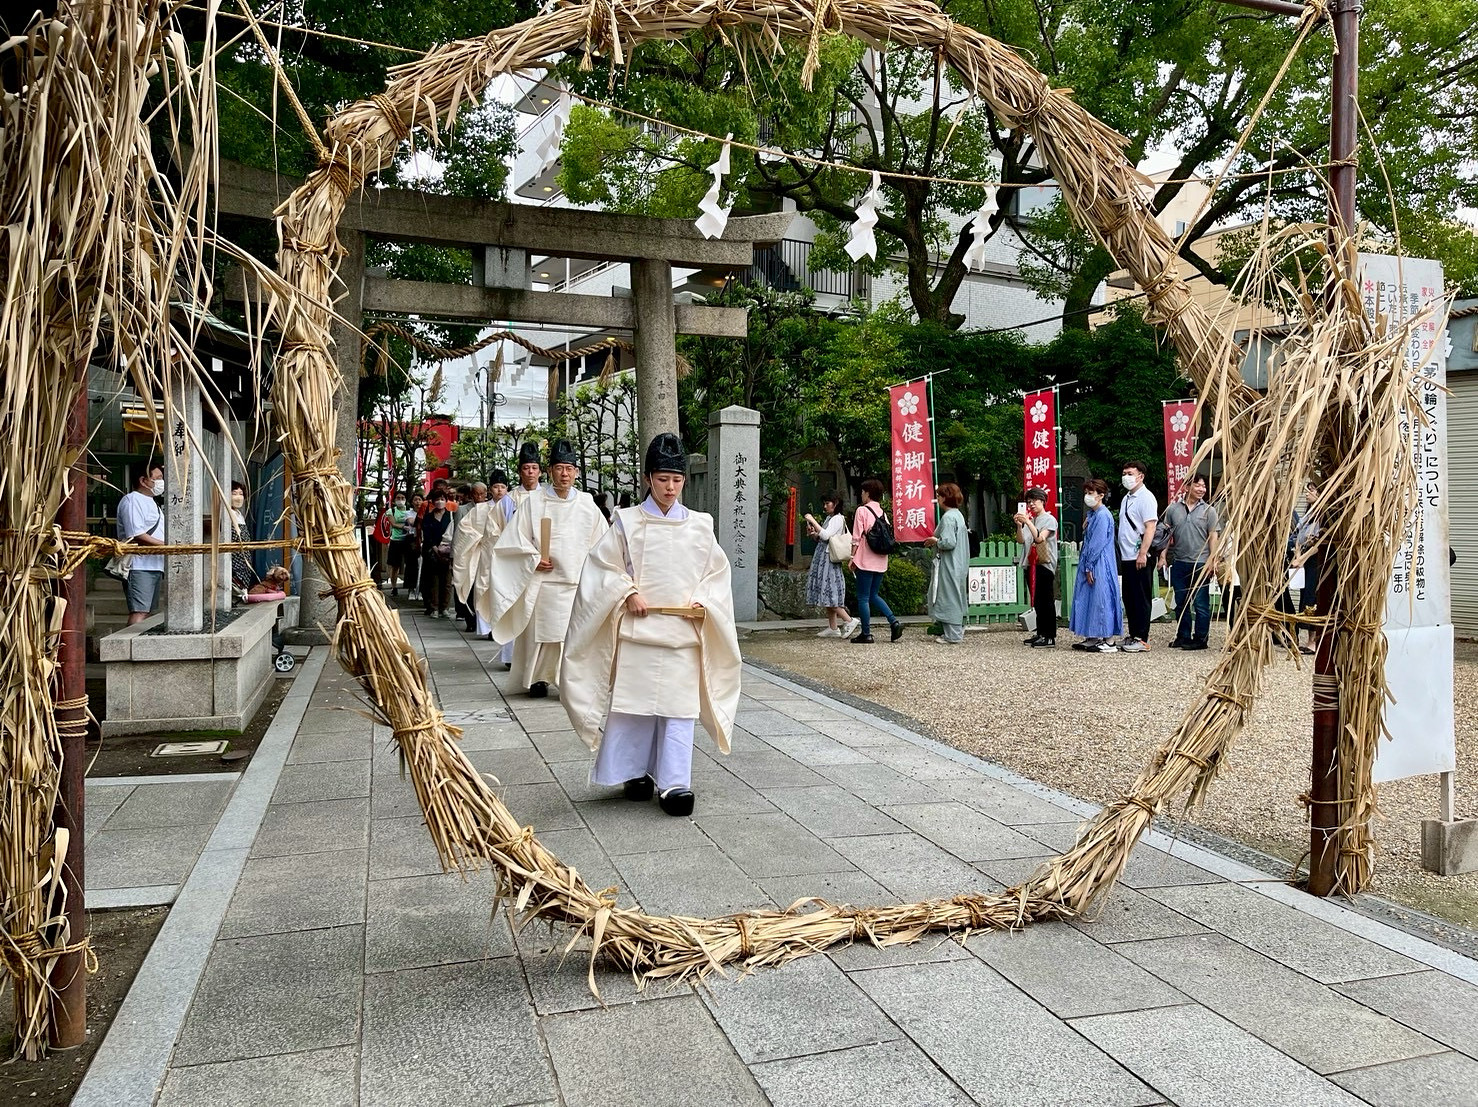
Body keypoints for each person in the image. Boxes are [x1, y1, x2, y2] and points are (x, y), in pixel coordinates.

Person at [562, 433, 742, 817]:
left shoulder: (700, 525)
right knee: (634, 706)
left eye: (677, 480)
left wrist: (705, 601)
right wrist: (627, 592)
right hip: (639, 629)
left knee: (679, 709)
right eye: (663, 479)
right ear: (648, 479)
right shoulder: (627, 522)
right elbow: (602, 567)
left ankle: (675, 784)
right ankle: (633, 772)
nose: (670, 488)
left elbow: (717, 573)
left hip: (682, 632)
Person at [491, 439, 608, 698]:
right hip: (543, 580)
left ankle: (569, 681)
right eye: (559, 468)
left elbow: (603, 543)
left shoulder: (587, 504)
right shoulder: (534, 502)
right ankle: (537, 678)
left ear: (576, 472)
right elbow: (512, 541)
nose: (564, 474)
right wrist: (533, 559)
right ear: (550, 470)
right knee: (539, 636)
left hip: (576, 582)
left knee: (572, 637)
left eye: (569, 468)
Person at [1159, 473, 1221, 651]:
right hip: (1179, 561)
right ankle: (1183, 635)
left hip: (1200, 563)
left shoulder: (1209, 510)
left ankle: (1201, 638)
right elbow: (1166, 536)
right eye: (1198, 485)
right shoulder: (1173, 509)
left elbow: (1213, 536)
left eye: (1204, 486)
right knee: (1181, 601)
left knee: (1201, 603)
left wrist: (1212, 560)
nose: (1202, 489)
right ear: (1186, 487)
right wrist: (1162, 557)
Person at [1069, 478, 1122, 651]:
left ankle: (1108, 639)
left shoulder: (1102, 515)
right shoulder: (1093, 515)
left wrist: (1089, 565)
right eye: (1086, 493)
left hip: (1099, 562)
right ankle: (1091, 636)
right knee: (1089, 597)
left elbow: (1097, 543)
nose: (1087, 496)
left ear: (1101, 495)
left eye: (1091, 493)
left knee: (1102, 598)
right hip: (1092, 560)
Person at [850, 479, 902, 644]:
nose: (861, 494)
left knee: (863, 597)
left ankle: (866, 633)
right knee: (873, 595)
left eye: (863, 492)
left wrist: (852, 558)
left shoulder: (862, 511)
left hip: (866, 559)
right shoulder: (882, 513)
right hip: (881, 560)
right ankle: (893, 621)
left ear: (868, 493)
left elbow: (856, 538)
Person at [117, 460, 166, 625]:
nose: (161, 482)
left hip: (155, 564)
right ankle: (127, 647)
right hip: (139, 564)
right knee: (139, 611)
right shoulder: (132, 500)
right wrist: (166, 546)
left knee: (147, 611)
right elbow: (137, 534)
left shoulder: (154, 503)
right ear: (143, 480)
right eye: (157, 478)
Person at [1116, 460, 1158, 652]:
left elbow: (1150, 526)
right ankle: (1133, 634)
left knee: (1141, 598)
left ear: (1140, 476)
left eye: (1130, 473)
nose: (1126, 476)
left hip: (1140, 555)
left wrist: (1143, 553)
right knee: (1130, 597)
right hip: (1126, 556)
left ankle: (1142, 637)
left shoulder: (1146, 498)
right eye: (1124, 473)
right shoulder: (1127, 498)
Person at [803, 492, 857, 639]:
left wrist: (813, 521)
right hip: (823, 556)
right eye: (825, 503)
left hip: (829, 559)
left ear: (836, 503)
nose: (825, 506)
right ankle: (833, 627)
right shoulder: (830, 518)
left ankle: (849, 620)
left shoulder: (838, 519)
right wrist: (813, 533)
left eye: (828, 503)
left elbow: (826, 536)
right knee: (826, 592)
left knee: (829, 593)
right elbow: (823, 537)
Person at [1014, 487, 1059, 648]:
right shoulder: (1030, 520)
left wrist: (1027, 522)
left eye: (1034, 501)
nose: (1031, 504)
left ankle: (1049, 636)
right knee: (1037, 601)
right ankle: (1040, 632)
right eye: (1029, 501)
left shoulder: (1049, 519)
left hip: (1044, 564)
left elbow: (1040, 538)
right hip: (1030, 564)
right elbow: (1020, 540)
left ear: (1043, 501)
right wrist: (1020, 525)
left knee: (1046, 600)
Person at [925, 483, 969, 644]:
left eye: (939, 496)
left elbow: (948, 542)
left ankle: (953, 634)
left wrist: (935, 540)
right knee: (955, 594)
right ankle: (954, 631)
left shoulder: (949, 517)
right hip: (958, 562)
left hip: (950, 563)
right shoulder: (957, 515)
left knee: (948, 596)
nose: (937, 499)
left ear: (945, 498)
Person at [1290, 480, 1322, 655]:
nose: (1307, 494)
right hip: (1302, 560)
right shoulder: (1308, 515)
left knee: (1312, 597)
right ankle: (1309, 640)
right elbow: (1299, 537)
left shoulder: (1322, 515)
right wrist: (1297, 554)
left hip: (1314, 561)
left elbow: (1319, 542)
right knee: (1304, 596)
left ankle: (1314, 641)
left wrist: (1302, 558)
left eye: (1311, 490)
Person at [419, 489, 455, 618]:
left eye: (442, 499)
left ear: (446, 501)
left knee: (447, 581)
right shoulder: (428, 517)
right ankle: (434, 607)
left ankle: (444, 607)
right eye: (437, 499)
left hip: (447, 552)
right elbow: (427, 535)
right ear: (433, 502)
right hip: (432, 552)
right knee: (433, 581)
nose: (440, 502)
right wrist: (435, 549)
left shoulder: (451, 516)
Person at [226, 480, 257, 597]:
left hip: (244, 554)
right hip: (234, 555)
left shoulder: (239, 514)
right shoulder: (226, 513)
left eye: (241, 494)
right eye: (234, 493)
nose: (238, 498)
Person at [387, 490, 415, 598]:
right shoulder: (391, 511)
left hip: (408, 540)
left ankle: (410, 587)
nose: (400, 500)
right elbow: (393, 523)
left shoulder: (409, 511)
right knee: (395, 565)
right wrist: (404, 526)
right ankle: (394, 587)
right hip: (396, 540)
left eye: (402, 498)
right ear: (394, 500)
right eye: (398, 498)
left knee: (410, 564)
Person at [402, 491, 424, 602]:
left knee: (422, 565)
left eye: (420, 499)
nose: (418, 502)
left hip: (423, 539)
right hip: (412, 540)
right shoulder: (408, 513)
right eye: (415, 500)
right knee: (411, 564)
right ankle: (411, 589)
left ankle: (420, 590)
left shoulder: (427, 512)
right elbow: (412, 522)